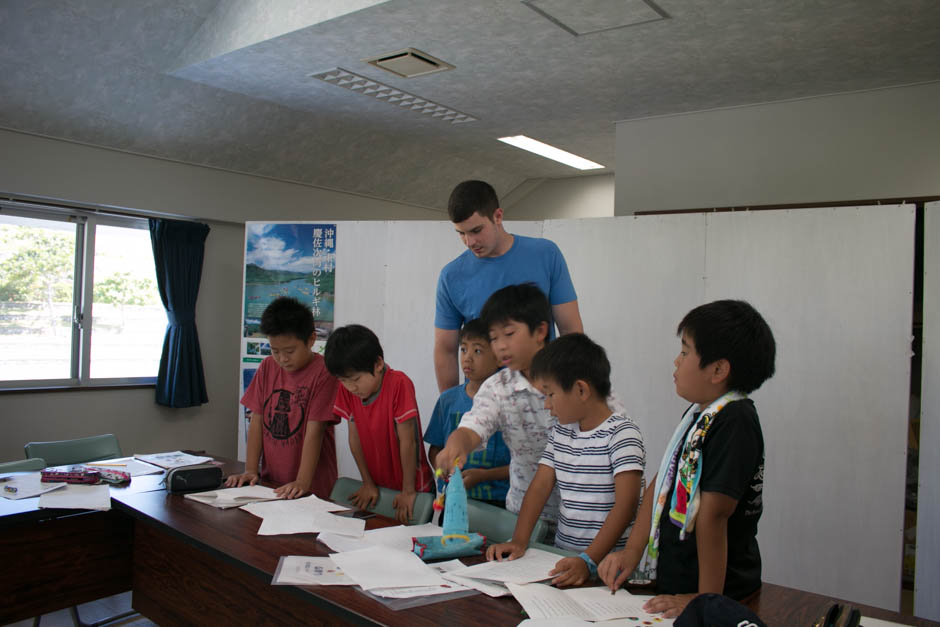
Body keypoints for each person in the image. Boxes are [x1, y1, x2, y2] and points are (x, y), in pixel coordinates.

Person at [598, 300, 776, 618]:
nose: (676, 361)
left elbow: (714, 515)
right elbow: (664, 480)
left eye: (685, 351)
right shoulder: (700, 415)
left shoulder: (734, 420)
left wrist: (705, 601)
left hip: (721, 595)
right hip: (678, 583)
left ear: (718, 370)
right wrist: (632, 551)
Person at [435, 283, 625, 532]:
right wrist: (456, 445)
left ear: (540, 331)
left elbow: (617, 431)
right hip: (525, 517)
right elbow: (473, 426)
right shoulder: (497, 387)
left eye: (509, 334)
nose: (500, 345)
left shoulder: (577, 376)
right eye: (493, 338)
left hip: (587, 520)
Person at [486, 333, 645, 588]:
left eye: (550, 394)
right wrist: (519, 540)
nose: (547, 405)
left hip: (608, 570)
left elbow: (626, 506)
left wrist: (588, 560)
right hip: (565, 560)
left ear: (581, 390)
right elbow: (539, 487)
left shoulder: (622, 434)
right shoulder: (561, 432)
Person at [433, 180, 583, 392]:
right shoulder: (451, 276)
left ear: (498, 217)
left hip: (544, 394)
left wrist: (572, 391)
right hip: (483, 399)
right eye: (461, 233)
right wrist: (451, 406)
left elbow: (571, 330)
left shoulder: (546, 254)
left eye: (476, 230)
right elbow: (446, 349)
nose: (469, 242)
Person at [225, 296, 339, 499]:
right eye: (275, 351)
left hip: (312, 486)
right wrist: (251, 470)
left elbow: (315, 431)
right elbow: (257, 420)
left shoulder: (324, 372)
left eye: (290, 351)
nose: (283, 359)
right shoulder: (268, 367)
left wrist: (303, 481)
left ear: (311, 340)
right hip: (273, 482)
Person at [324, 324, 433, 523]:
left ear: (378, 364)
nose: (351, 387)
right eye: (343, 381)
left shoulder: (399, 384)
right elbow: (354, 439)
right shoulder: (348, 391)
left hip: (412, 485)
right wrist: (367, 481)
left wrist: (408, 490)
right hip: (379, 484)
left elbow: (408, 442)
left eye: (356, 379)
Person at [424, 318, 511, 507]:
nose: (467, 358)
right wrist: (442, 468)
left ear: (498, 357)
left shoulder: (509, 402)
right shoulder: (448, 400)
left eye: (477, 351)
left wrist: (484, 476)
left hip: (499, 501)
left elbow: (521, 464)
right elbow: (436, 449)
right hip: (454, 497)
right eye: (463, 349)